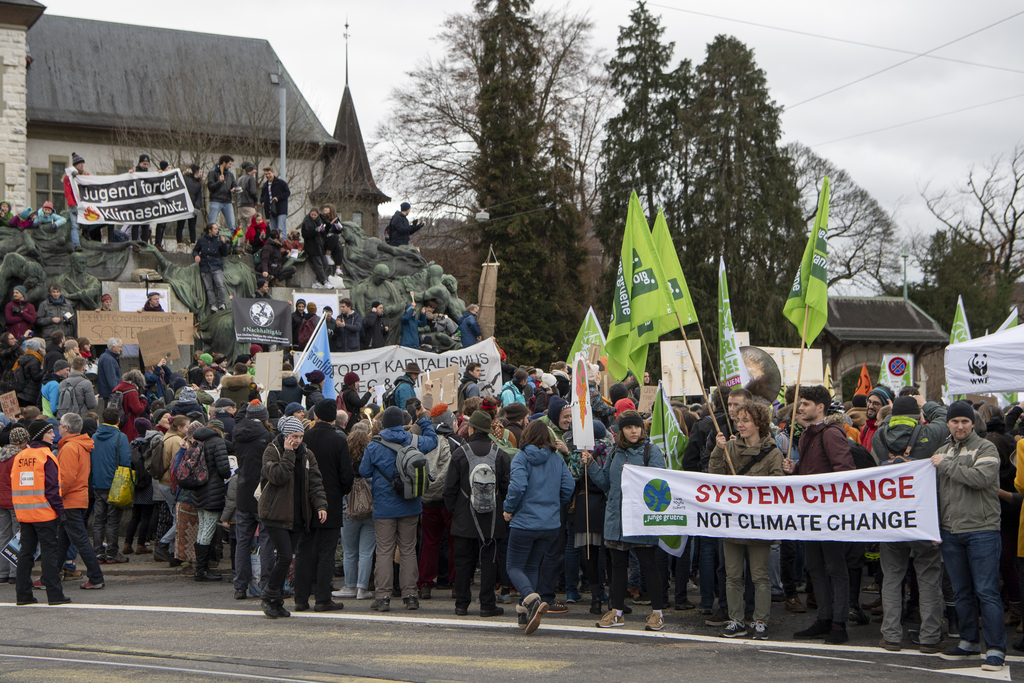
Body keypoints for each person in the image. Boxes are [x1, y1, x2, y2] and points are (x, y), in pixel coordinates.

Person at [931, 401, 1005, 671]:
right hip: (950, 532)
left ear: (973, 423)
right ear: (948, 424)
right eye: (955, 421)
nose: (960, 426)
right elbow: (934, 495)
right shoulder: (941, 452)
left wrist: (946, 465)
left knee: (987, 592)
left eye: (964, 421)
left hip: (982, 529)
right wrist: (933, 527)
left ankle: (995, 649)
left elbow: (981, 479)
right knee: (961, 592)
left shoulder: (986, 448)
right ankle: (969, 643)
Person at [872, 394, 949, 654]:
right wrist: (925, 402)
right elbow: (944, 417)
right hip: (924, 517)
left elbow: (882, 426)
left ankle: (891, 636)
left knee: (892, 577)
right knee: (928, 576)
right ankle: (930, 637)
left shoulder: (879, 436)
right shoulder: (930, 434)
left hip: (891, 517)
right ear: (919, 415)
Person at [783, 385, 855, 645]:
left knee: (836, 567)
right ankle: (824, 618)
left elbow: (844, 470)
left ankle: (839, 622)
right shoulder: (805, 435)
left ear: (820, 407)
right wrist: (797, 467)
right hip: (811, 514)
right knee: (814, 566)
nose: (799, 408)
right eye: (800, 404)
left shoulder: (832, 434)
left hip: (830, 513)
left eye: (804, 404)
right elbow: (814, 468)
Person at [582, 410, 667, 632]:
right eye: (629, 427)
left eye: (637, 427)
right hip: (616, 519)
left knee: (648, 564)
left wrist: (634, 473)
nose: (634, 431)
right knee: (617, 567)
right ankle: (617, 612)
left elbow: (660, 482)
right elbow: (604, 483)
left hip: (641, 518)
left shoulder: (652, 451)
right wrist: (591, 463)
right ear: (621, 430)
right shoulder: (614, 452)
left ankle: (657, 613)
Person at [709, 402, 783, 639]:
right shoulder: (729, 446)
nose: (739, 424)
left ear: (759, 424)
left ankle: (760, 620)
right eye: (738, 420)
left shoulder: (773, 452)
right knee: (732, 575)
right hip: (732, 521)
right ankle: (736, 620)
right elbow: (714, 476)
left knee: (759, 575)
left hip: (758, 523)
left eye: (745, 420)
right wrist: (718, 451)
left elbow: (776, 486)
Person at [359, 405, 438, 612]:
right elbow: (434, 440)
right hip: (411, 504)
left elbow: (363, 470)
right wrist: (422, 420)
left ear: (383, 424)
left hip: (384, 507)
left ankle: (383, 597)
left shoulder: (375, 445)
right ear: (403, 424)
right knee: (408, 550)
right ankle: (410, 595)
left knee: (384, 551)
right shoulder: (414, 441)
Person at [504, 419, 575, 634]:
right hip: (550, 523)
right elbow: (568, 486)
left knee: (513, 566)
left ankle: (531, 599)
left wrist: (509, 508)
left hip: (525, 521)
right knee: (533, 566)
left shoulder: (521, 457)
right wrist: (554, 503)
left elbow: (517, 486)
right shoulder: (557, 458)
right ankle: (524, 614)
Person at [258, 416, 328, 619]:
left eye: (300, 436)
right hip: (275, 514)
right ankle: (269, 595)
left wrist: (320, 505)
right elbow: (278, 476)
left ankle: (276, 600)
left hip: (298, 515)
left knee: (286, 558)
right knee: (285, 557)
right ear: (284, 435)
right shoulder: (272, 451)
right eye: (293, 436)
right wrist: (288, 453)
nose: (297, 440)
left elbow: (315, 481)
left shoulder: (307, 454)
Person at [444, 410, 510, 617]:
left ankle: (462, 605)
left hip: (464, 518)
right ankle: (487, 604)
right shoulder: (500, 455)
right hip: (492, 519)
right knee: (489, 562)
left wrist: (457, 511)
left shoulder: (459, 454)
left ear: (471, 429)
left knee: (463, 562)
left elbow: (449, 491)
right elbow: (507, 488)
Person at [294, 399, 354, 612]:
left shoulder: (304, 438)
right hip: (331, 502)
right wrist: (338, 493)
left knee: (304, 549)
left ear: (316, 416)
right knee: (327, 552)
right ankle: (322, 598)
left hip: (305, 502)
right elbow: (347, 476)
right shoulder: (339, 440)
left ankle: (300, 598)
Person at [11, 420, 70, 606]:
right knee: (49, 553)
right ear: (40, 435)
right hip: (44, 513)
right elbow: (52, 488)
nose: (54, 435)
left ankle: (23, 595)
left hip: (24, 513)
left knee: (25, 553)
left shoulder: (20, 456)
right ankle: (54, 595)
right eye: (50, 432)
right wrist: (61, 512)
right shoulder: (46, 456)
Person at [55, 413, 105, 589]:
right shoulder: (81, 445)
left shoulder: (69, 447)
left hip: (70, 499)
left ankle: (96, 577)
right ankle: (50, 577)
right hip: (78, 497)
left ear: (66, 428)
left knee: (80, 540)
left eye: (60, 425)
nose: (58, 427)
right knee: (63, 541)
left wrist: (57, 496)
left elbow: (66, 478)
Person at [231, 401, 275, 599]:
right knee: (266, 540)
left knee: (242, 542)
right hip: (263, 493)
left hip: (243, 493)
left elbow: (240, 417)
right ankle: (266, 584)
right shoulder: (267, 437)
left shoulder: (237, 433)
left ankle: (240, 586)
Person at [189, 420, 232, 582]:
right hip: (213, 492)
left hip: (198, 490)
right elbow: (224, 470)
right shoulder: (217, 443)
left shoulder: (197, 441)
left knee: (202, 529)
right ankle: (202, 570)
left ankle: (201, 568)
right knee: (208, 530)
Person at [91, 407, 132, 564]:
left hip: (97, 483)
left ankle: (98, 553)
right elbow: (125, 461)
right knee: (113, 521)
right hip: (115, 484)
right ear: (118, 420)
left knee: (99, 520)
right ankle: (112, 553)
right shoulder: (120, 437)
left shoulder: (94, 436)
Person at [338, 429, 375, 600]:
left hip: (349, 509)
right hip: (370, 509)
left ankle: (349, 586)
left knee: (350, 551)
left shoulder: (345, 460)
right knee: (366, 551)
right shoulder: (371, 458)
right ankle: (362, 588)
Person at [153, 416, 189, 565]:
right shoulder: (176, 441)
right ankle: (163, 544)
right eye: (186, 427)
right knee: (179, 518)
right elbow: (177, 467)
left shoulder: (167, 436)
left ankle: (172, 551)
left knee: (176, 517)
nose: (188, 429)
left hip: (164, 482)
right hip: (169, 483)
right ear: (179, 428)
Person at [0, 427, 27, 585]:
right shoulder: (20, 457)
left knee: (3, 536)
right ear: (23, 441)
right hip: (15, 501)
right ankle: (14, 572)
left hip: (1, 501)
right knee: (18, 536)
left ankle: (2, 572)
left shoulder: (1, 454)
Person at [193, 223, 231, 312]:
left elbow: (225, 253)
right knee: (209, 288)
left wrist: (224, 243)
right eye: (215, 229)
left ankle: (222, 303)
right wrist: (196, 256)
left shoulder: (218, 239)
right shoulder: (201, 240)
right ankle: (213, 305)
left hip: (216, 265)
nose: (217, 230)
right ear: (210, 230)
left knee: (220, 285)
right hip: (205, 266)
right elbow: (195, 250)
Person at [112, 370, 148, 441]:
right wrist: (143, 401)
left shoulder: (119, 388)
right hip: (129, 423)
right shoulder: (131, 391)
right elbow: (137, 409)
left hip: (119, 421)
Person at [207, 154, 238, 231]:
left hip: (227, 201)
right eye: (229, 164)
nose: (230, 166)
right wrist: (219, 182)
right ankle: (209, 240)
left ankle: (233, 241)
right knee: (211, 223)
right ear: (224, 163)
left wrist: (234, 189)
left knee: (232, 224)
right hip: (216, 200)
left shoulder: (230, 175)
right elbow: (210, 187)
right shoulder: (212, 173)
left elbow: (234, 184)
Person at [62, 152, 86, 251]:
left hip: (85, 205)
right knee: (74, 225)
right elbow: (68, 193)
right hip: (75, 205)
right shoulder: (68, 177)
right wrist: (72, 205)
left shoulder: (85, 175)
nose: (82, 165)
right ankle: (76, 245)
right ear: (75, 165)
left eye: (82, 163)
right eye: (80, 163)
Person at [300, 208, 329, 289]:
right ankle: (324, 281)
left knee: (325, 264)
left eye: (314, 215)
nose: (313, 216)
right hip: (311, 247)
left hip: (319, 246)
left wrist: (322, 230)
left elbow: (324, 234)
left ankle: (317, 281)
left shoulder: (320, 221)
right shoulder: (306, 222)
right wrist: (315, 231)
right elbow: (305, 234)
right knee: (318, 264)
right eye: (311, 215)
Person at [177, 164, 203, 250]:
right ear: (195, 171)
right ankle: (179, 245)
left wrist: (197, 207)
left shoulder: (198, 183)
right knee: (180, 225)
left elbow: (199, 197)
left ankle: (193, 244)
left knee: (192, 227)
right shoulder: (185, 178)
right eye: (199, 172)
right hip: (183, 206)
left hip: (192, 208)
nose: (201, 174)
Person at [15, 338, 44, 409]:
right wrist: (44, 371)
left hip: (21, 390)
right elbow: (36, 377)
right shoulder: (34, 359)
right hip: (31, 392)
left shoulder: (22, 357)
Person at [261, 167, 291, 235]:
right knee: (273, 230)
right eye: (266, 174)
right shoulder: (265, 185)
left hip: (280, 210)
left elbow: (287, 193)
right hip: (271, 210)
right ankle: (274, 244)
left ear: (273, 173)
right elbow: (262, 196)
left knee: (281, 229)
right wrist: (262, 202)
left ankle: (282, 244)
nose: (268, 176)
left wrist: (278, 198)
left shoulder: (281, 183)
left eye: (269, 173)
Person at [96, 338, 122, 408]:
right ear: (113, 347)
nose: (121, 349)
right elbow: (111, 377)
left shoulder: (107, 357)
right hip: (109, 394)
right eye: (119, 347)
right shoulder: (108, 359)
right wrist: (117, 392)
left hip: (107, 393)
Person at [237, 162, 260, 237]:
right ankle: (249, 245)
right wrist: (256, 201)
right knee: (251, 226)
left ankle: (240, 246)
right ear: (250, 170)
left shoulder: (239, 179)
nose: (255, 171)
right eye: (254, 169)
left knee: (242, 227)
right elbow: (253, 192)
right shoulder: (251, 178)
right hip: (249, 205)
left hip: (240, 206)